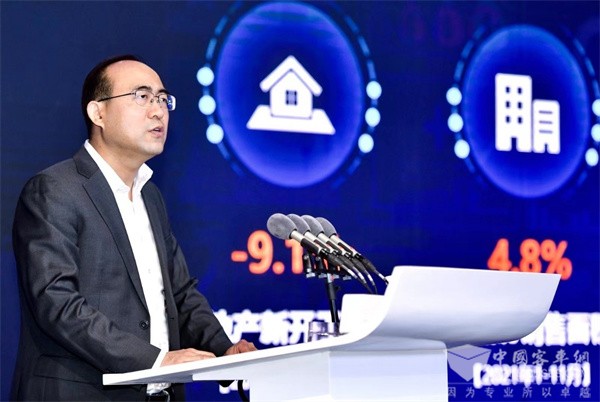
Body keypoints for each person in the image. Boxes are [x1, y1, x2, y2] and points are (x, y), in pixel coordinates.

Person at [11, 54, 256, 401]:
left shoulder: (150, 196)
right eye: (142, 97)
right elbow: (56, 302)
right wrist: (155, 361)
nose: (158, 111)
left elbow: (180, 294)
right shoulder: (54, 190)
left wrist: (224, 349)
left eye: (163, 99)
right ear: (98, 113)